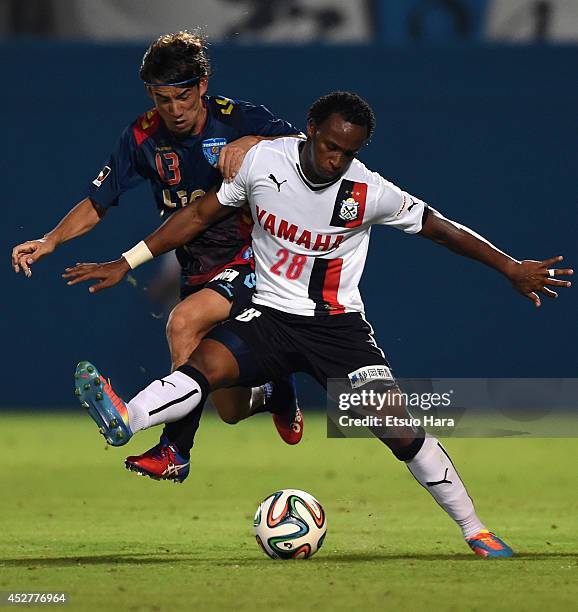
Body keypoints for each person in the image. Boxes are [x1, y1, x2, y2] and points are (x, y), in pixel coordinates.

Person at [64, 92, 572, 558]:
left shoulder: (368, 190)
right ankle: (126, 420)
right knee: (205, 366)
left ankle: (475, 529)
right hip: (269, 317)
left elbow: (441, 229)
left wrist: (509, 266)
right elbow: (198, 214)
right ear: (310, 129)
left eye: (348, 152)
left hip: (338, 332)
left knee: (399, 429)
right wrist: (126, 261)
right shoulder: (265, 162)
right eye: (329, 146)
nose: (336, 159)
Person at [10, 31, 305, 484]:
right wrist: (51, 239)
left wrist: (254, 144)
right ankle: (276, 393)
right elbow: (98, 201)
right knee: (227, 406)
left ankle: (174, 450)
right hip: (197, 268)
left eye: (183, 96)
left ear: (202, 85)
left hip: (256, 262)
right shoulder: (141, 137)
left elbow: (310, 149)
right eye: (163, 99)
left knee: (182, 322)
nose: (175, 109)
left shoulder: (237, 119)